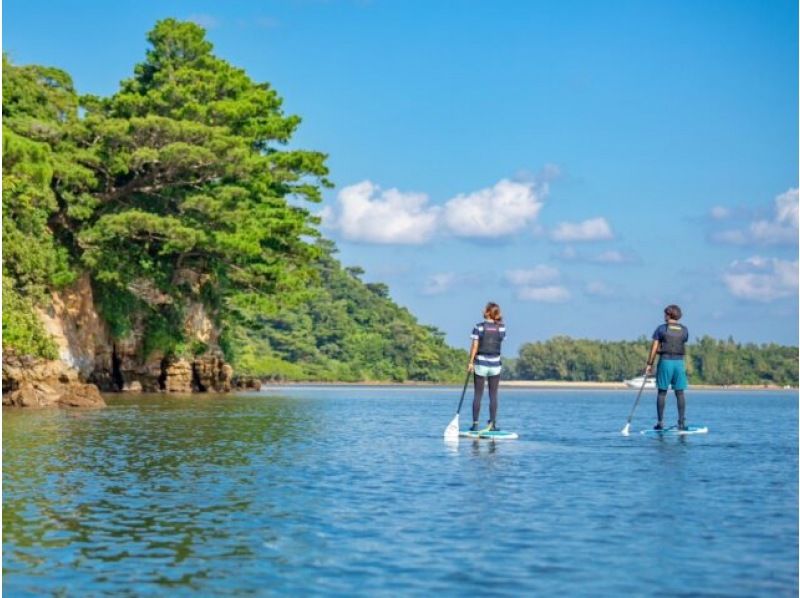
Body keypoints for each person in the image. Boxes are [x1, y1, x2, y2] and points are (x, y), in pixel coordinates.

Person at [645, 304, 689, 430]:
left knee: (662, 392)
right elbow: (683, 341)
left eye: (665, 313)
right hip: (679, 363)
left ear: (669, 315)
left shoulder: (661, 329)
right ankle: (681, 423)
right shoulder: (685, 330)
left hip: (665, 362)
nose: (664, 316)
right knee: (680, 393)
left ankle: (660, 423)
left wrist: (649, 364)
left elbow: (654, 347)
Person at [467, 302, 506, 432]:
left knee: (478, 395)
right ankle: (493, 424)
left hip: (481, 364)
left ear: (488, 312)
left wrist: (470, 362)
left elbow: (475, 346)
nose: (483, 310)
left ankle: (475, 424)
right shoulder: (501, 328)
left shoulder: (478, 327)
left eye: (485, 309)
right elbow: (500, 341)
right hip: (495, 365)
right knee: (493, 395)